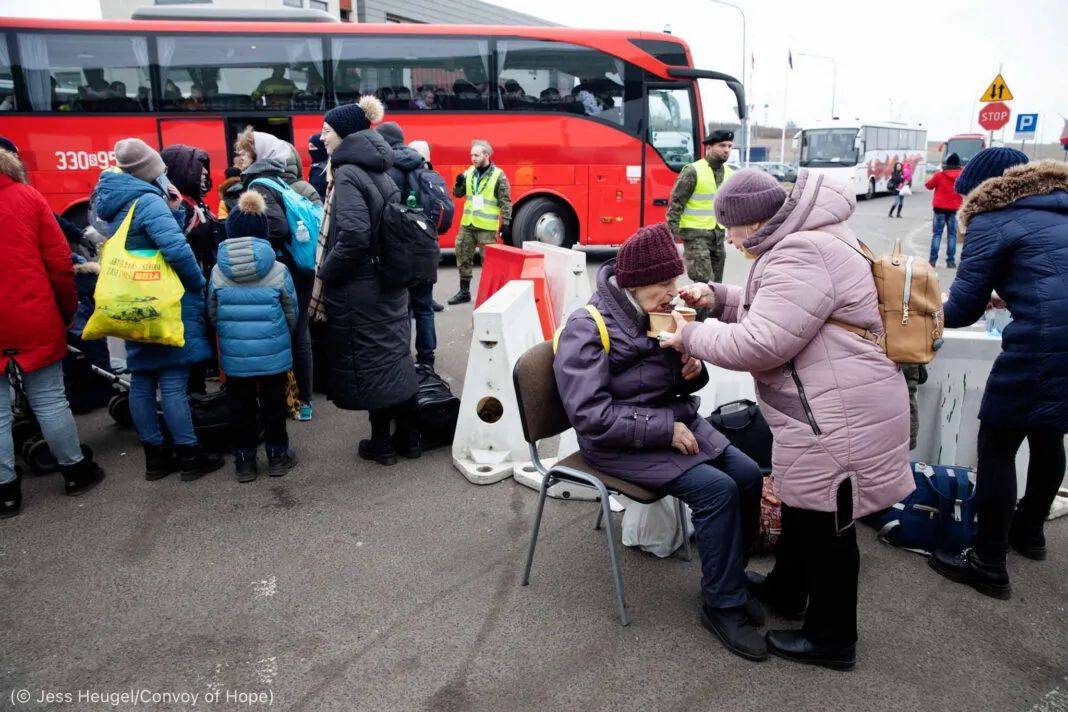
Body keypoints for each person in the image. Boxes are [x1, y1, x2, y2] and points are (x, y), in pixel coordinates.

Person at [663, 168, 914, 671]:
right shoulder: (811, 234)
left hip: (836, 413)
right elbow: (783, 311)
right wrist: (719, 297)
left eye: (731, 231)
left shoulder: (802, 251)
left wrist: (686, 336)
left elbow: (762, 341)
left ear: (753, 224)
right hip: (832, 404)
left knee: (829, 527)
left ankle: (832, 638)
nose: (730, 241)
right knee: (804, 507)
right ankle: (787, 590)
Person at [554, 223, 766, 661]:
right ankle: (721, 604)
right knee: (717, 491)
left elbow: (674, 382)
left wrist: (693, 367)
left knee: (747, 475)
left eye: (674, 279)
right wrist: (663, 430)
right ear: (633, 281)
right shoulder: (587, 326)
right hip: (616, 441)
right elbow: (591, 417)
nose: (674, 291)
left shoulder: (656, 311)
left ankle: (732, 577)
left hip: (669, 422)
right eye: (664, 282)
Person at [928, 150, 1068, 599]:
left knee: (998, 445)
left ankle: (988, 561)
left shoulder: (992, 217)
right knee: (1049, 435)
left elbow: (962, 307)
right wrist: (1014, 296)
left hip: (1042, 344)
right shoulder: (1058, 205)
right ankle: (1029, 533)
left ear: (983, 188)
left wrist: (923, 312)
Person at [91, 139, 224, 481]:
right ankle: (190, 454)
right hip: (162, 302)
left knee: (142, 380)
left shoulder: (114, 201)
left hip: (132, 301)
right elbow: (176, 249)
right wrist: (197, 283)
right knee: (174, 380)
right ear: (150, 172)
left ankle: (155, 457)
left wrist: (176, 210)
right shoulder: (147, 201)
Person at [314, 97, 421, 466]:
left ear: (343, 134)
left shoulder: (346, 173)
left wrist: (326, 273)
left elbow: (355, 237)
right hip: (389, 280)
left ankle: (382, 443)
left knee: (373, 362)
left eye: (327, 131)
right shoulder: (379, 169)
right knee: (394, 357)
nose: (322, 137)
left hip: (362, 288)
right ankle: (408, 437)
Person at [0, 148, 105, 517]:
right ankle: (75, 470)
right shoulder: (27, 197)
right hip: (32, 313)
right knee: (48, 397)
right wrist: (65, 310)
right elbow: (60, 261)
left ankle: (6, 492)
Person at [208, 191, 299, 482]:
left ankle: (245, 462)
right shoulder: (278, 269)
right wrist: (282, 335)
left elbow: (211, 312)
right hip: (273, 350)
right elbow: (291, 311)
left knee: (240, 406)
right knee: (273, 403)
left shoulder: (217, 271)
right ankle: (277, 456)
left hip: (234, 355)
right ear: (263, 233)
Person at [376, 122, 440, 368]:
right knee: (424, 307)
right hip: (426, 244)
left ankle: (402, 358)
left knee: (402, 307)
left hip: (401, 249)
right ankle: (427, 358)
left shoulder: (389, 169)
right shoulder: (423, 165)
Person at [666, 129, 735, 291]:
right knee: (704, 284)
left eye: (730, 146)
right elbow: (676, 204)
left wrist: (732, 231)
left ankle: (705, 317)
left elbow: (732, 208)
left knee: (716, 288)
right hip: (695, 236)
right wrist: (673, 235)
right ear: (708, 148)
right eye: (722, 145)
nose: (726, 150)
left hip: (718, 237)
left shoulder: (731, 174)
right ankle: (695, 317)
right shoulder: (692, 171)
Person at [448, 139, 512, 305]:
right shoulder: (469, 172)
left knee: (489, 263)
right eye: (471, 155)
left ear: (486, 155)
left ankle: (489, 295)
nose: (473, 158)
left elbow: (505, 201)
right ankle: (464, 292)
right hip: (468, 224)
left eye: (476, 155)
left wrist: (506, 223)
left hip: (486, 227)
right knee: (463, 256)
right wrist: (458, 183)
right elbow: (458, 194)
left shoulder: (499, 175)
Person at [925, 152, 964, 268]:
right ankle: (950, 261)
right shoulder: (962, 176)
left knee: (937, 234)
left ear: (947, 163)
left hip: (939, 209)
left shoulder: (939, 175)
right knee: (952, 235)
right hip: (955, 209)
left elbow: (928, 185)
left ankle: (932, 261)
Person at [307, 133, 329, 201]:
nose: (310, 150)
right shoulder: (326, 165)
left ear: (321, 147)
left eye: (312, 147)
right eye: (309, 147)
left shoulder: (320, 170)